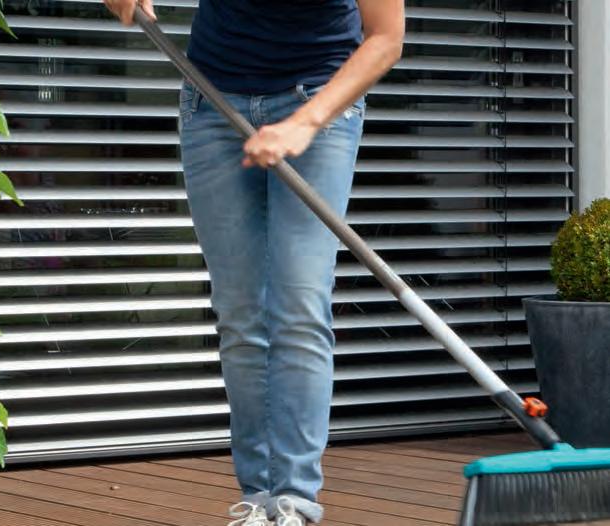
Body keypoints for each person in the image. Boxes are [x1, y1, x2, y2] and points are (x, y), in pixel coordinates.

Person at [103, 0, 405, 524]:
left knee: (299, 306)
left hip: (319, 101)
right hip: (212, 100)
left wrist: (305, 124)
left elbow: (386, 38)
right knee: (240, 313)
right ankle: (260, 500)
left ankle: (295, 501)